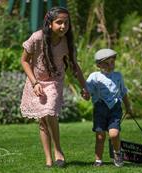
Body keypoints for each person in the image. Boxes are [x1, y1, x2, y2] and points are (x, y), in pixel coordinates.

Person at [20, 6, 90, 168]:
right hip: (36, 82)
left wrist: (84, 86)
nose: (63, 26)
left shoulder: (66, 41)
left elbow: (74, 66)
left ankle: (58, 150)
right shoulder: (37, 38)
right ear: (49, 23)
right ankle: (48, 159)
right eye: (59, 22)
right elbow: (24, 61)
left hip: (54, 82)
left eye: (66, 23)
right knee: (43, 121)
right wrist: (34, 82)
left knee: (50, 111)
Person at [86, 48, 133, 167]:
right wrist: (85, 93)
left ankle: (117, 154)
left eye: (112, 62)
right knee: (100, 136)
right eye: (106, 63)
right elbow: (87, 92)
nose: (110, 65)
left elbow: (123, 92)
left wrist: (128, 107)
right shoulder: (94, 76)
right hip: (100, 109)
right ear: (98, 65)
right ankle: (98, 160)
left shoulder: (118, 76)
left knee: (114, 134)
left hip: (115, 109)